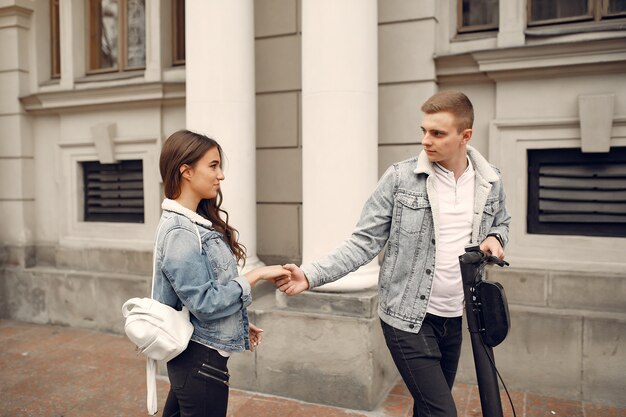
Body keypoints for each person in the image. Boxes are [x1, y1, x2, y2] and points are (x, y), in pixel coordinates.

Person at [278, 91, 510, 417]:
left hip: (456, 318)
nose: (426, 141)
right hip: (406, 318)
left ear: (465, 136)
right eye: (424, 130)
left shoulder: (490, 180)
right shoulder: (401, 178)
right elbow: (363, 242)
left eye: (438, 133)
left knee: (428, 411)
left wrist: (496, 237)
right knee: (442, 412)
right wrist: (311, 273)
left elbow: (502, 222)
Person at [155, 129, 291, 417]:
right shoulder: (181, 231)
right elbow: (204, 303)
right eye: (213, 166)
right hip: (199, 358)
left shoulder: (193, 224)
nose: (221, 175)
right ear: (186, 171)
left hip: (197, 356)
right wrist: (256, 275)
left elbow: (199, 296)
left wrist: (235, 320)